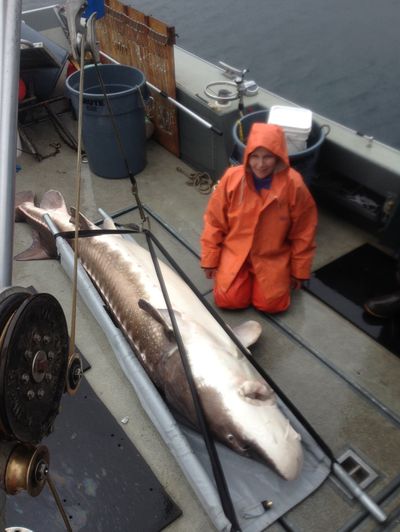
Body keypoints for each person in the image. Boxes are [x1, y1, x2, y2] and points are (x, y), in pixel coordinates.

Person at [200, 122, 318, 313]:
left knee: (272, 305)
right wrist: (210, 258)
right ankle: (234, 276)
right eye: (254, 156)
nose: (260, 164)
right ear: (247, 156)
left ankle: (274, 280)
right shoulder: (232, 178)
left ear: (278, 157)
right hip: (236, 251)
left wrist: (299, 270)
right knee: (228, 300)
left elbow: (304, 231)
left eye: (267, 157)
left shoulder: (294, 184)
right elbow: (214, 221)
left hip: (272, 255)